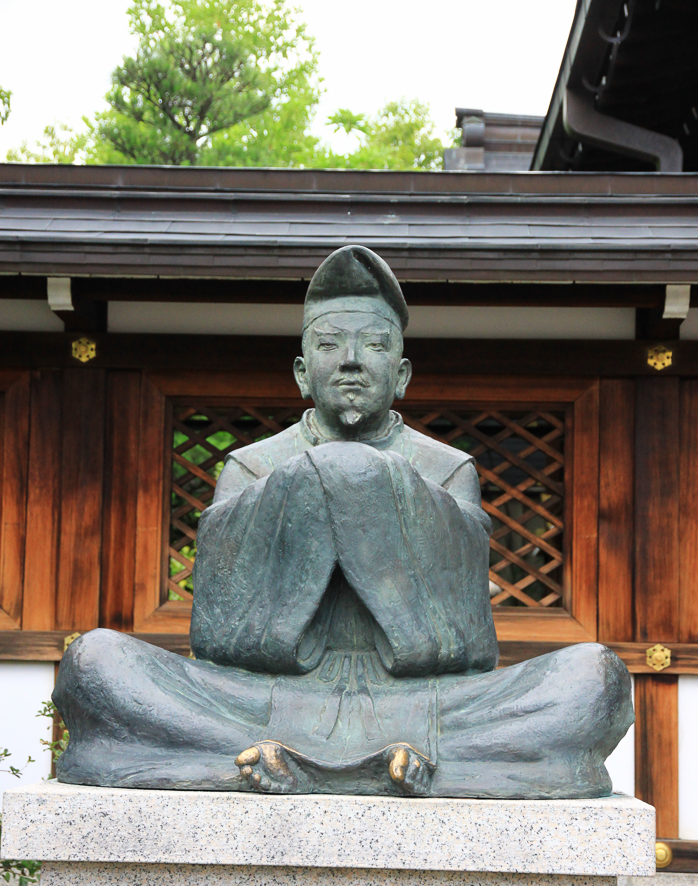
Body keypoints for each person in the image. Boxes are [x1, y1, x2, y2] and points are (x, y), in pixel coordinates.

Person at [54, 246, 632, 798]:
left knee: (594, 678)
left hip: (420, 705)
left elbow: (462, 643)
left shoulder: (447, 468)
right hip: (262, 700)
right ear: (303, 373)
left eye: (373, 345)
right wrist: (312, 480)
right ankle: (373, 766)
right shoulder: (253, 466)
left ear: (401, 373)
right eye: (330, 345)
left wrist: (365, 479)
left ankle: (263, 761)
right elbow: (220, 637)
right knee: (95, 661)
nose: (351, 361)